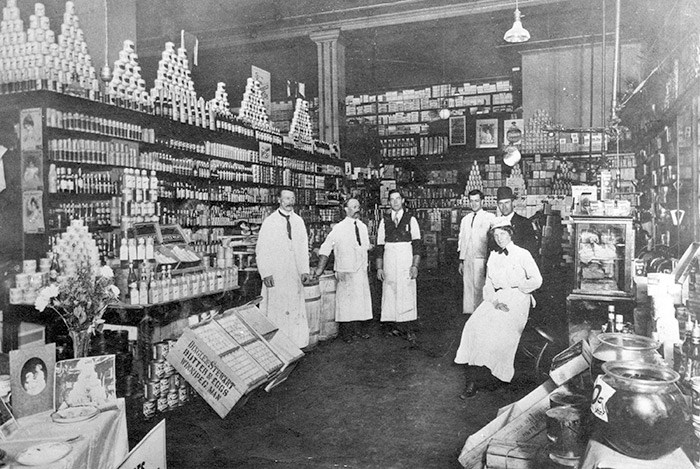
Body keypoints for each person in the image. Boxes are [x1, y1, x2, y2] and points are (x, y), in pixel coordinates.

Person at [454, 219, 542, 398]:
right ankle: (474, 377)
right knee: (474, 324)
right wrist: (494, 302)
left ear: (510, 233)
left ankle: (494, 377)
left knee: (498, 325)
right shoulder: (494, 256)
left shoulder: (522, 254)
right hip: (498, 297)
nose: (499, 238)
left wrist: (518, 286)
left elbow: (537, 280)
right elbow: (488, 284)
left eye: (502, 233)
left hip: (519, 297)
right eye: (496, 235)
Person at [256, 188, 311, 349]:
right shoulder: (270, 221)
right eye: (286, 199)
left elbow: (302, 247)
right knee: (276, 309)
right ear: (279, 200)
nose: (290, 202)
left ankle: (295, 345)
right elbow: (262, 249)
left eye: (292, 198)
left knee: (294, 309)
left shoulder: (298, 221)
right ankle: (276, 346)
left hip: (294, 273)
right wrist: (265, 273)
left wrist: (304, 270)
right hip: (276, 273)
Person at [314, 198, 372, 343]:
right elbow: (327, 247)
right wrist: (320, 269)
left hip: (360, 269)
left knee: (360, 301)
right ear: (346, 209)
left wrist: (368, 249)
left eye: (358, 206)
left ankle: (358, 331)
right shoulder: (338, 228)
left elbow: (365, 246)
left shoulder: (363, 227)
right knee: (346, 304)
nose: (357, 209)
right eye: (353, 207)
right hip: (345, 270)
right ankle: (347, 334)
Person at [376, 189, 421, 345]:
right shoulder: (384, 221)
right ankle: (393, 326)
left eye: (398, 199)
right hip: (389, 257)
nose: (395, 202)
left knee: (407, 290)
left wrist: (415, 265)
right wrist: (379, 267)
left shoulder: (411, 219)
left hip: (405, 257)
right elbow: (380, 246)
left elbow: (417, 244)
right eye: (392, 199)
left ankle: (409, 328)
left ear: (403, 200)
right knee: (390, 290)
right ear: (389, 202)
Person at [458, 189, 495, 315]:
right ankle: (469, 314)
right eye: (471, 201)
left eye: (477, 201)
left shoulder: (489, 217)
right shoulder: (465, 219)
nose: (474, 204)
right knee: (468, 286)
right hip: (468, 258)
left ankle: (481, 315)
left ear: (482, 201)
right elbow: (461, 240)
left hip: (482, 258)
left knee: (480, 287)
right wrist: (461, 260)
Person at [494, 186, 538, 258]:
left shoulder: (524, 223)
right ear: (498, 205)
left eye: (507, 202)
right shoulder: (496, 224)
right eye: (501, 203)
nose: (504, 207)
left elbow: (531, 249)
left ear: (513, 202)